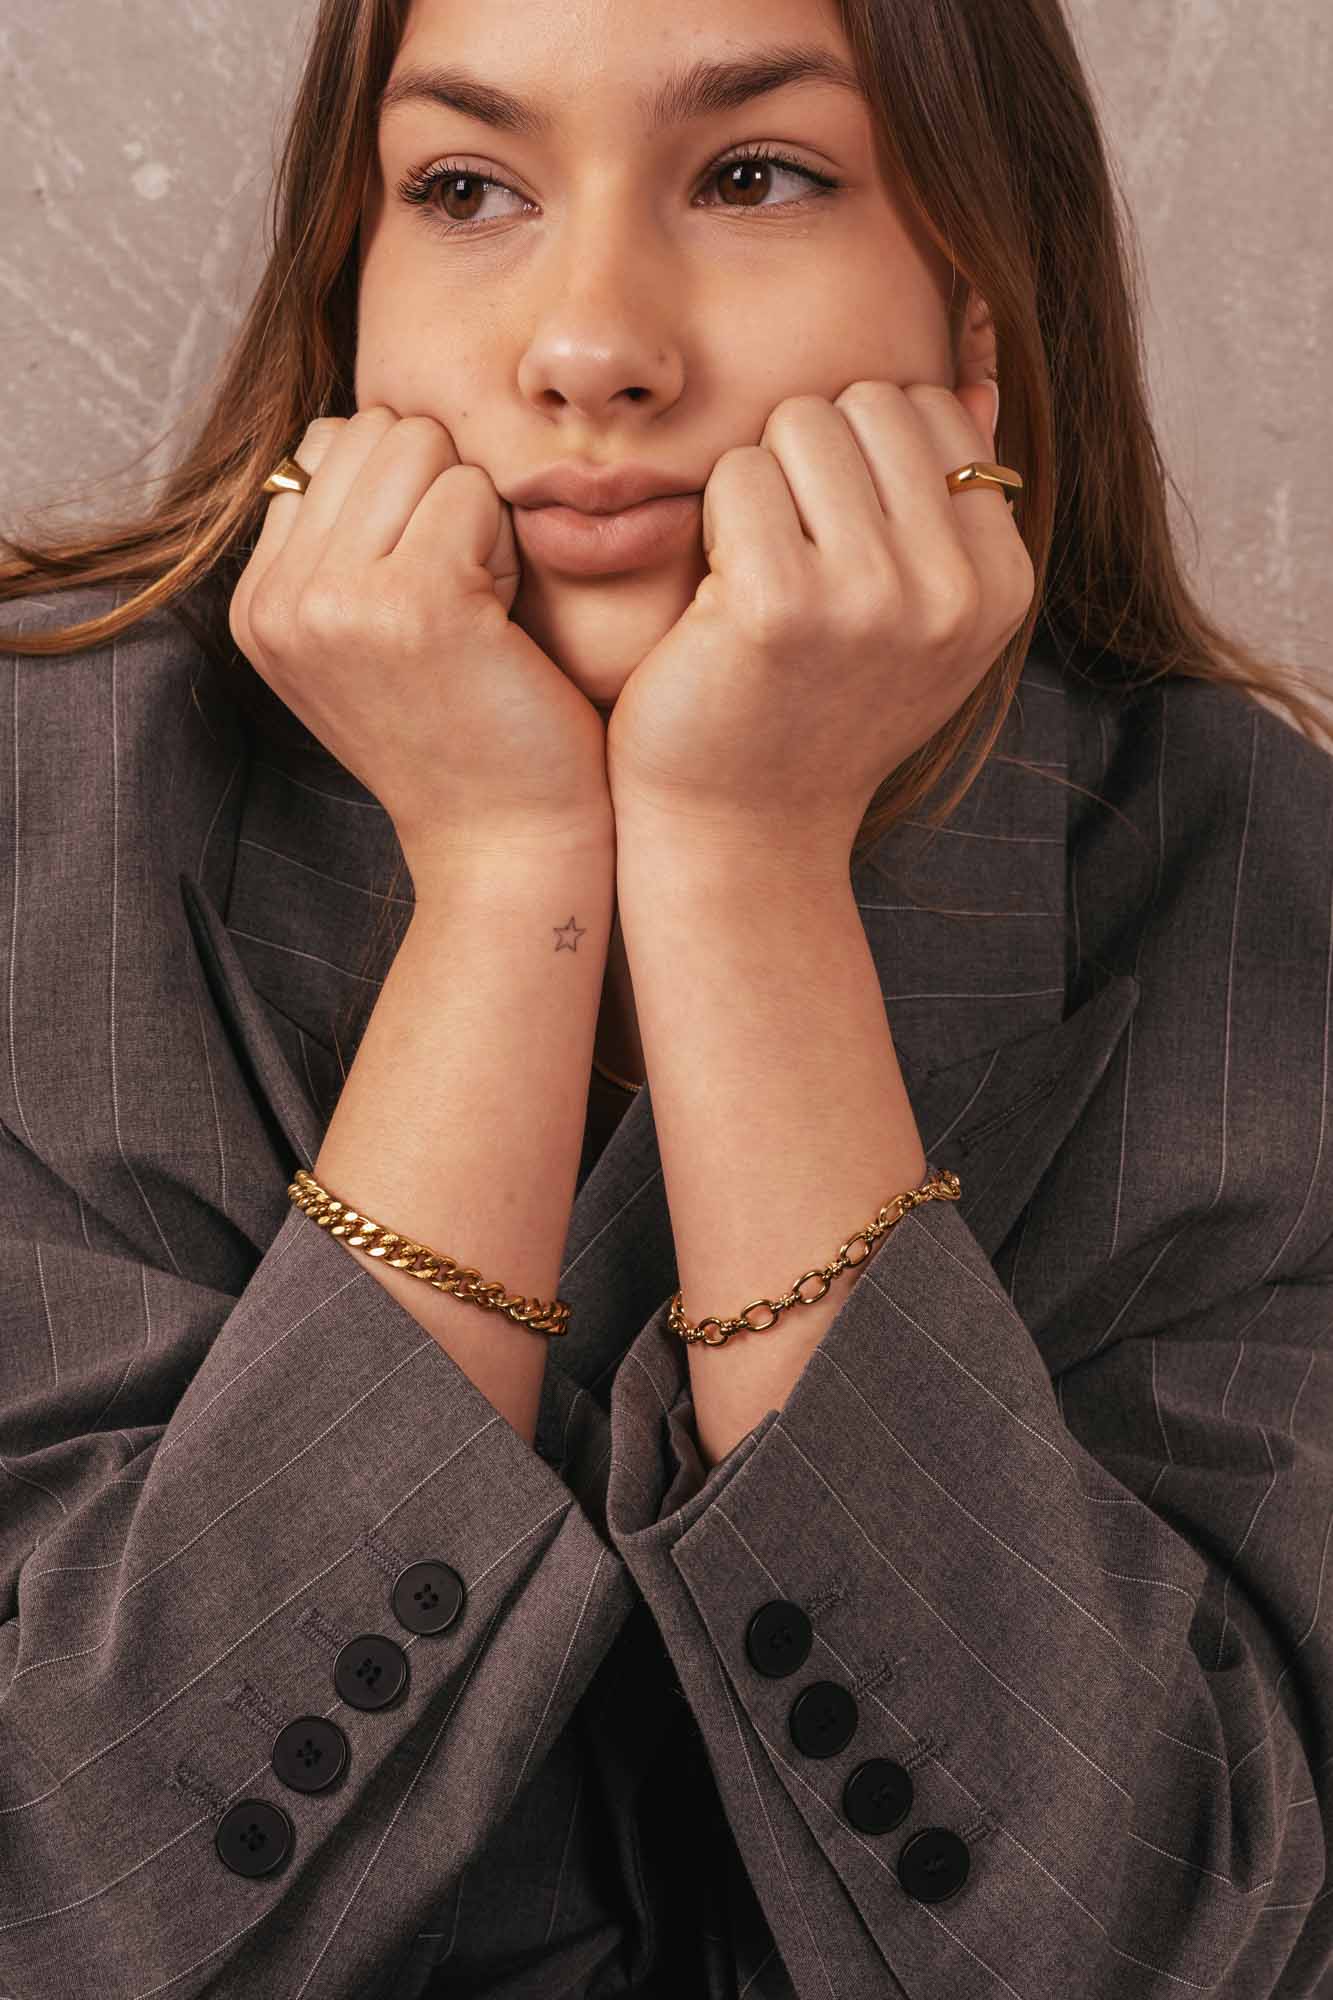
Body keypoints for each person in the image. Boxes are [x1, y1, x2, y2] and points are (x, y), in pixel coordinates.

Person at [1, 0, 1330, 1994]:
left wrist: (740, 868)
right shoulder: (47, 805)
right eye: (464, 187)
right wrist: (507, 881)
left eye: (752, 176)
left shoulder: (1242, 864)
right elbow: (61, 1894)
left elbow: (1188, 1936)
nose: (590, 345)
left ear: (981, 302)